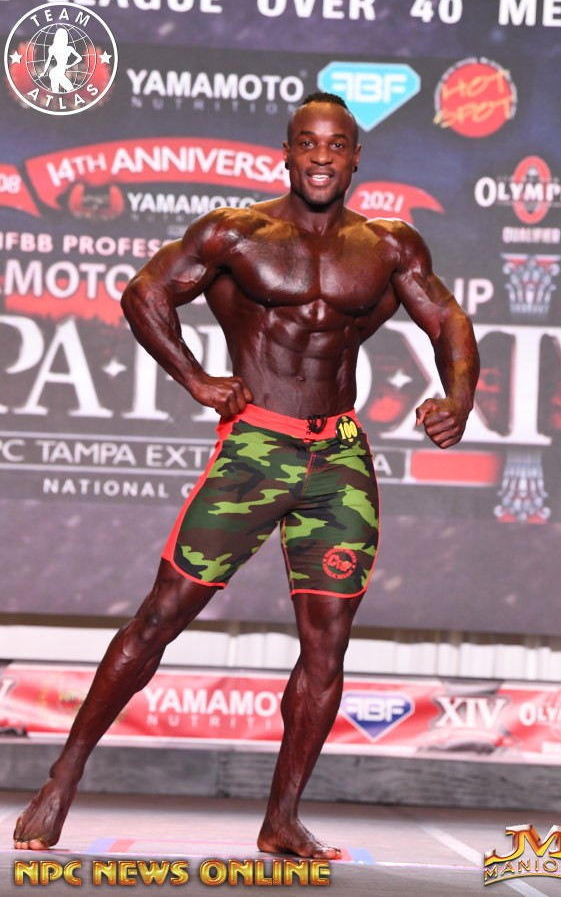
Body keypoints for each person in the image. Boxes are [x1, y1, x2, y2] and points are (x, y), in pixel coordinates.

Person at [14, 92, 479, 858]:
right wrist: (197, 378)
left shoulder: (389, 245)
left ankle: (281, 818)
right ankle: (63, 776)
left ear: (356, 159)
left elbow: (449, 319)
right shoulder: (237, 232)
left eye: (336, 144)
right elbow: (144, 292)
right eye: (308, 143)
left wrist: (458, 397)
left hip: (338, 459)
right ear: (287, 154)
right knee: (161, 616)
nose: (322, 156)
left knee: (327, 647)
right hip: (256, 446)